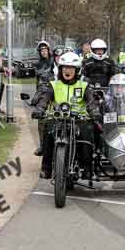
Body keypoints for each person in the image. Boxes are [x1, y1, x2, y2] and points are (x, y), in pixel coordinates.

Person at [32, 52, 98, 180]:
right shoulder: (54, 84)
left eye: (71, 68)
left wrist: (94, 112)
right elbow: (45, 98)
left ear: (77, 70)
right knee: (48, 131)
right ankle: (46, 169)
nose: (68, 71)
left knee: (88, 131)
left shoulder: (84, 85)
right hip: (58, 118)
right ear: (60, 69)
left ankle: (87, 168)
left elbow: (91, 102)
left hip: (79, 119)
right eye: (65, 68)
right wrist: (39, 109)